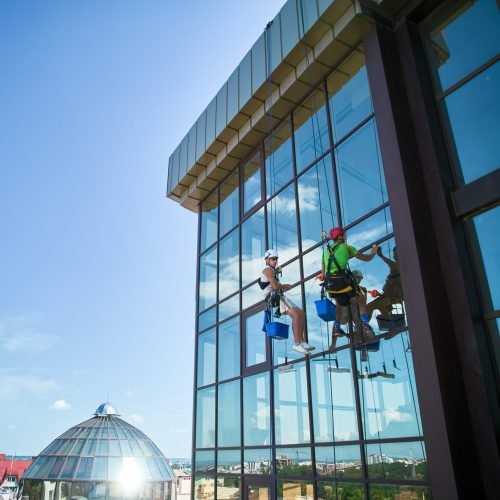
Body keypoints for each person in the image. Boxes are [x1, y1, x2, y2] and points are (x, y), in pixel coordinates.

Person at [318, 227, 378, 338]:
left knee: (339, 303)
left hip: (330, 285)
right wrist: (373, 252)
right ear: (341, 236)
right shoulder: (346, 247)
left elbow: (323, 272)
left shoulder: (325, 251)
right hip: (342, 282)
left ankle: (337, 327)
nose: (345, 237)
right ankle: (365, 324)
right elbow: (367, 258)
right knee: (361, 296)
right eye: (344, 235)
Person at [260, 249, 314, 355]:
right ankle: (297, 343)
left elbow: (275, 287)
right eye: (273, 259)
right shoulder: (267, 270)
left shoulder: (272, 271)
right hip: (274, 299)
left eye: (276, 259)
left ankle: (302, 340)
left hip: (278, 297)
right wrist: (285, 286)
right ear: (267, 260)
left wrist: (282, 288)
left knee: (301, 314)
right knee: (296, 316)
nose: (275, 261)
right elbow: (275, 286)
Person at [367, 246, 403, 319]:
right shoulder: (397, 266)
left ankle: (389, 320)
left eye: (396, 253)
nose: (394, 255)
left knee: (372, 306)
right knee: (372, 306)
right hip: (389, 295)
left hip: (395, 296)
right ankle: (389, 320)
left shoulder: (399, 266)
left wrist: (381, 255)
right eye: (394, 253)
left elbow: (392, 265)